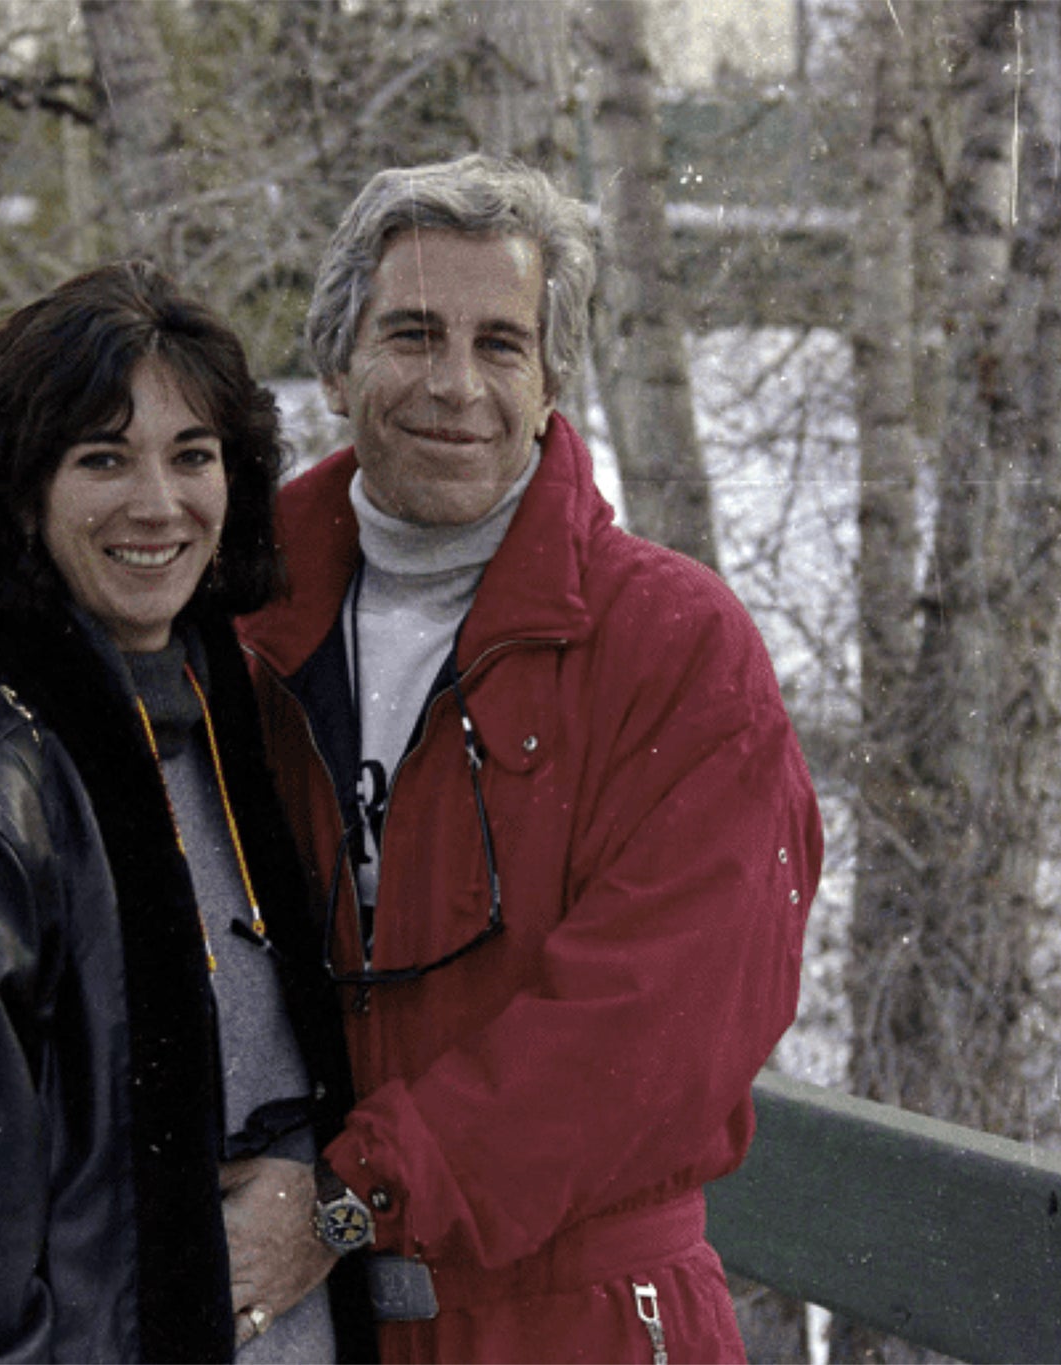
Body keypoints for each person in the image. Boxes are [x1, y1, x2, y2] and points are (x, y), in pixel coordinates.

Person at [223, 155, 823, 1362]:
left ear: (552, 384)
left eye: (500, 344)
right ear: (336, 368)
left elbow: (658, 1029)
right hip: (305, 1322)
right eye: (410, 333)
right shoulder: (237, 619)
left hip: (579, 1322)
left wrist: (356, 1194)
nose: (454, 384)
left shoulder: (670, 644)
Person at [0, 261, 371, 1362]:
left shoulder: (227, 729)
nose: (158, 503)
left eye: (192, 456)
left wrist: (324, 1198)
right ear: (20, 493)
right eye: (102, 459)